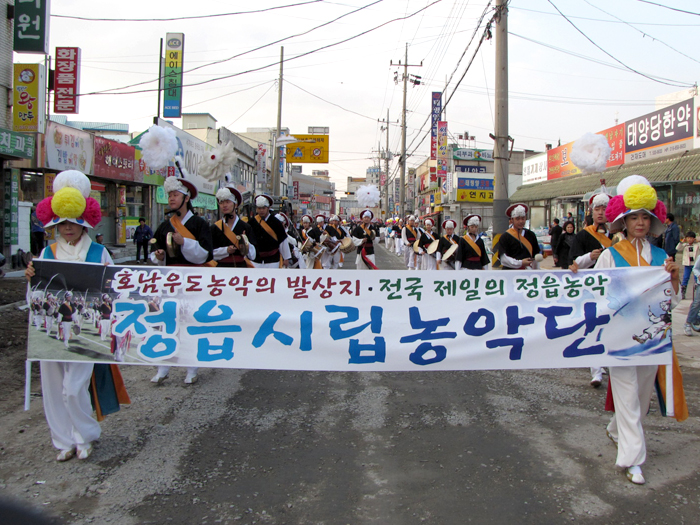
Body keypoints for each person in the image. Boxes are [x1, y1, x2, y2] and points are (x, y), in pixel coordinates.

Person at [25, 169, 129, 462]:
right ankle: (62, 440)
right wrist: (31, 278)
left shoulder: (99, 253)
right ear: (53, 224)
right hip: (49, 330)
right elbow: (36, 295)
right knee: (53, 386)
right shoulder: (47, 252)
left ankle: (85, 435)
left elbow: (114, 289)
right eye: (62, 223)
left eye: (73, 222)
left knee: (73, 388)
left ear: (84, 223)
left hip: (84, 328)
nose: (67, 228)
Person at [595, 174, 687, 485]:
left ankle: (616, 429)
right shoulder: (610, 254)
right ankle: (633, 459)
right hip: (619, 337)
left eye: (645, 218)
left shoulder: (661, 257)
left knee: (643, 395)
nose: (640, 223)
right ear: (622, 221)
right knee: (627, 393)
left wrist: (674, 278)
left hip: (653, 339)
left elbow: (670, 303)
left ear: (653, 221)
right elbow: (594, 293)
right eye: (633, 217)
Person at [150, 175, 214, 385]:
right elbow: (154, 250)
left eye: (175, 195)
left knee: (189, 320)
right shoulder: (164, 225)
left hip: (193, 278)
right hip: (170, 279)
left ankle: (191, 367)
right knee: (168, 321)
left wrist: (184, 241)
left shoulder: (199, 224)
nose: (171, 198)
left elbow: (205, 254)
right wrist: (158, 255)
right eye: (169, 195)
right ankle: (163, 366)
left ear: (186, 198)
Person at [569, 190, 614, 387]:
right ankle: (596, 371)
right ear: (591, 211)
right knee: (593, 326)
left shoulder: (618, 235)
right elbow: (573, 262)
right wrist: (590, 257)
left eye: (604, 208)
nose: (601, 212)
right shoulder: (582, 235)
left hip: (614, 287)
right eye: (597, 208)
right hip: (592, 288)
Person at [211, 185, 257, 268]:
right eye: (221, 202)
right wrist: (226, 251)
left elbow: (253, 256)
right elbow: (209, 253)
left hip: (240, 268)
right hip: (221, 268)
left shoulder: (246, 227)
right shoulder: (215, 228)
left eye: (228, 202)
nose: (224, 205)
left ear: (235, 205)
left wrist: (245, 244)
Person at [248, 194, 291, 268]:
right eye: (259, 208)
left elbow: (282, 241)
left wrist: (286, 258)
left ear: (268, 208)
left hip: (272, 260)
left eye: (263, 208)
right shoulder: (251, 222)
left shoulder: (276, 222)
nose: (261, 210)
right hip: (256, 259)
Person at [497, 203, 540, 269]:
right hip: (511, 272)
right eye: (517, 219)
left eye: (523, 218)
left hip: (527, 271)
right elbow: (504, 259)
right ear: (512, 219)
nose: (521, 221)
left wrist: (536, 271)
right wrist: (520, 263)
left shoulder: (531, 235)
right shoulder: (505, 237)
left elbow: (535, 257)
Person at [675, 232, 697, 299]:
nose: (689, 239)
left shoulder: (697, 245)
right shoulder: (684, 245)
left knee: (697, 279)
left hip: (695, 264)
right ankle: (683, 293)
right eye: (688, 238)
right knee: (685, 278)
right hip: (687, 264)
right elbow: (678, 248)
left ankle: (697, 293)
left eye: (691, 238)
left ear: (694, 239)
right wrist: (682, 242)